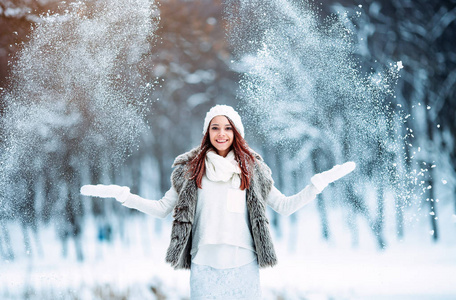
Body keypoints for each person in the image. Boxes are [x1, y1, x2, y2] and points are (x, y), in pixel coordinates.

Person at [81, 104, 356, 299]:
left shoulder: (254, 170)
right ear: (207, 132)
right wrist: (124, 197)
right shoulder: (189, 170)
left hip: (243, 267)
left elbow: (284, 206)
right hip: (204, 268)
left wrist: (317, 185)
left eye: (228, 127)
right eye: (215, 127)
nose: (221, 133)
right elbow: (162, 208)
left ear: (236, 132)